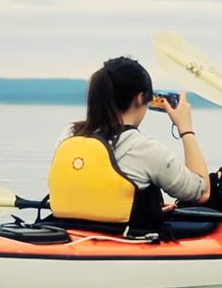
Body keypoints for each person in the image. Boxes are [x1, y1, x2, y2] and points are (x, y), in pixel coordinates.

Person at [48, 56, 210, 230]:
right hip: (120, 234)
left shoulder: (68, 136)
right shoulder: (145, 149)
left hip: (68, 228)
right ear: (140, 98)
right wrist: (186, 129)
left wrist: (146, 209)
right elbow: (200, 192)